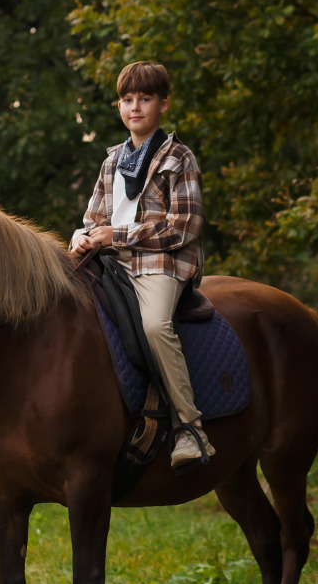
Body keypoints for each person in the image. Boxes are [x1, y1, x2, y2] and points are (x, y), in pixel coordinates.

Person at [69, 60, 213, 469]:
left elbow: (184, 227)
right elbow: (94, 219)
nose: (135, 107)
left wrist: (116, 236)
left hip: (161, 264)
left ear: (162, 105)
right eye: (128, 99)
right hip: (111, 261)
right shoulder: (112, 161)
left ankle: (190, 428)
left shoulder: (179, 157)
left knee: (155, 326)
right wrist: (80, 236)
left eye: (145, 99)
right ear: (119, 106)